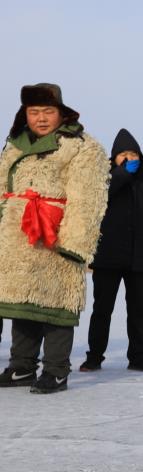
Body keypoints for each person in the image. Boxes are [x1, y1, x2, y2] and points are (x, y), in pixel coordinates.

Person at [0, 83, 109, 393]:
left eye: (48, 111)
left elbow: (88, 198)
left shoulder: (82, 147)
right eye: (34, 112)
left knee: (57, 305)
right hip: (17, 237)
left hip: (56, 234)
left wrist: (76, 244)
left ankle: (56, 371)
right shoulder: (15, 145)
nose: (41, 118)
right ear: (26, 114)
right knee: (22, 302)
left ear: (61, 113)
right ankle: (22, 366)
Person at [79, 129, 143, 373]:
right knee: (102, 310)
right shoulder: (104, 178)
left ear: (140, 156)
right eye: (123, 154)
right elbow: (96, 202)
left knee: (137, 311)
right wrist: (120, 175)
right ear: (114, 158)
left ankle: (138, 357)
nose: (129, 158)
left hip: (140, 258)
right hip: (107, 256)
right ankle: (94, 357)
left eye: (132, 153)